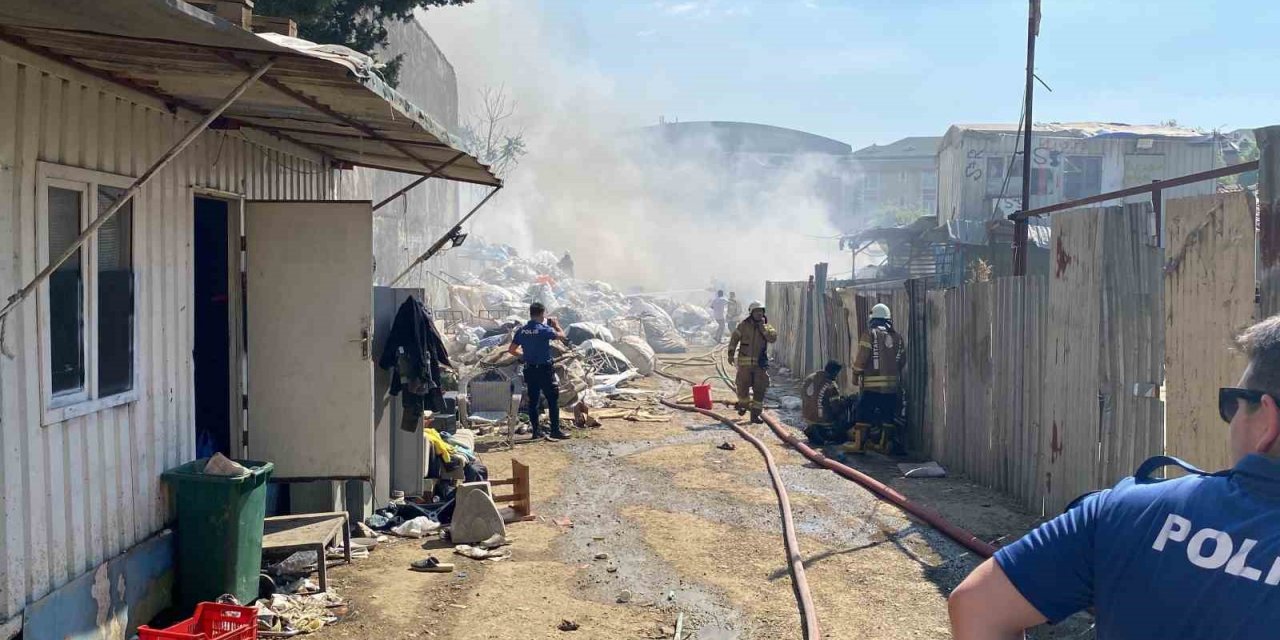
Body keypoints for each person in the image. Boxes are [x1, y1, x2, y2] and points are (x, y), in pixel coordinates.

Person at [949, 314, 1280, 639]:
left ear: (1267, 420)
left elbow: (977, 606)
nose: (1232, 419)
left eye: (1234, 404)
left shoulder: (1125, 510)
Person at [507, 302, 570, 441]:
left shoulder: (522, 330)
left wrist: (523, 356)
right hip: (544, 370)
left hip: (530, 370)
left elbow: (511, 349)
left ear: (531, 313)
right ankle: (555, 431)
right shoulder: (543, 329)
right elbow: (562, 336)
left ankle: (536, 432)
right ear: (542, 314)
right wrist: (555, 324)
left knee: (533, 401)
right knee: (553, 399)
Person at [850, 303, 905, 453]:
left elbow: (862, 357)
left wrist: (855, 374)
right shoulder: (897, 337)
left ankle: (859, 445)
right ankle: (883, 444)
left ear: (873, 319)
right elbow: (901, 361)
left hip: (871, 387)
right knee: (888, 414)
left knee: (863, 411)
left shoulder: (870, 334)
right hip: (892, 388)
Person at [727, 301, 777, 424]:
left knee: (759, 390)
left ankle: (755, 415)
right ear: (751, 313)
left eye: (761, 311)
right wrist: (731, 353)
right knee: (742, 388)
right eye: (756, 311)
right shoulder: (743, 325)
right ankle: (743, 405)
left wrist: (763, 329)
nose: (759, 314)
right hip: (745, 365)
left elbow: (772, 338)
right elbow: (734, 339)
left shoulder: (766, 326)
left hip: (760, 365)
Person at [802, 360, 856, 445]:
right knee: (843, 432)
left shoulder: (810, 378)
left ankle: (813, 429)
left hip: (807, 417)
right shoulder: (831, 386)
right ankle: (826, 431)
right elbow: (836, 408)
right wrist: (847, 402)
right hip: (822, 421)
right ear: (835, 372)